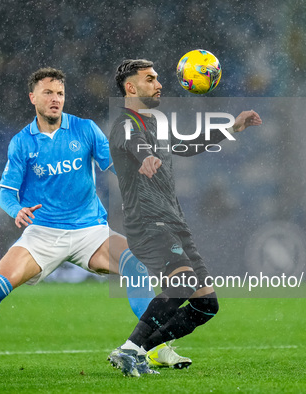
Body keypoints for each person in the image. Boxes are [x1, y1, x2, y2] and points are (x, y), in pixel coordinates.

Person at [0, 67, 187, 373]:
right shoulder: (22, 143)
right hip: (42, 233)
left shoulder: (85, 129)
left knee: (136, 267)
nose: (55, 99)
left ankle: (156, 347)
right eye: (48, 93)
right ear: (33, 97)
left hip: (89, 230)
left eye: (60, 94)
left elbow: (116, 165)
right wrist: (17, 211)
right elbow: (6, 195)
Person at [107, 59, 262, 377]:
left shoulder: (157, 123)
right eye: (150, 79)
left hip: (174, 221)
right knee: (183, 283)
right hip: (148, 222)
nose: (159, 83)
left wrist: (232, 128)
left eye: (158, 77)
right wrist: (145, 155)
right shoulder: (125, 122)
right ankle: (129, 349)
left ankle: (143, 351)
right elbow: (133, 143)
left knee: (206, 305)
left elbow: (187, 146)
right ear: (131, 88)